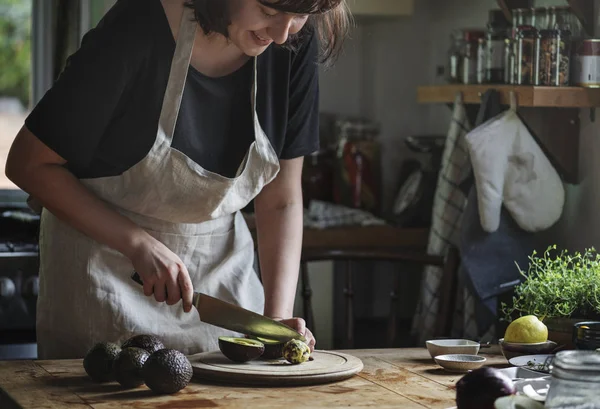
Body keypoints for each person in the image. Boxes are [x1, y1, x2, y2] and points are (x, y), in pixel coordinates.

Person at [5, 0, 349, 359]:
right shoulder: (137, 26)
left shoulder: (293, 42)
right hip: (103, 276)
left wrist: (275, 319)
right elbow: (28, 164)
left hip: (220, 281)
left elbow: (282, 199)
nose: (281, 35)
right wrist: (138, 244)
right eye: (268, 10)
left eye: (298, 17)